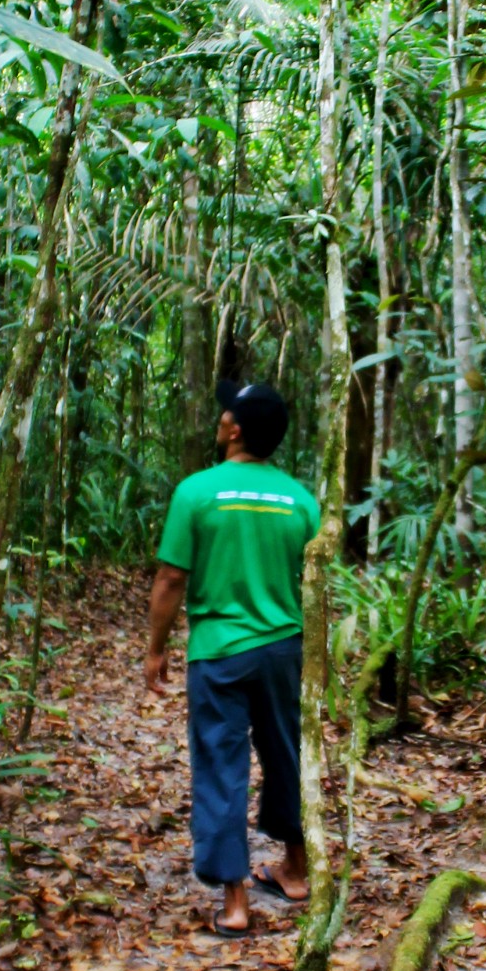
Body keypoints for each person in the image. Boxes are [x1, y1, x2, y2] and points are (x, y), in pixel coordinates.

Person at [145, 380, 321, 936]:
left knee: (222, 764)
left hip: (219, 652)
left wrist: (156, 647)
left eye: (227, 412)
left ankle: (237, 903)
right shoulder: (301, 499)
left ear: (236, 429)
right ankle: (295, 871)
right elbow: (316, 581)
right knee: (284, 753)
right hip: (281, 648)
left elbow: (173, 576)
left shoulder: (197, 493)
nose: (219, 417)